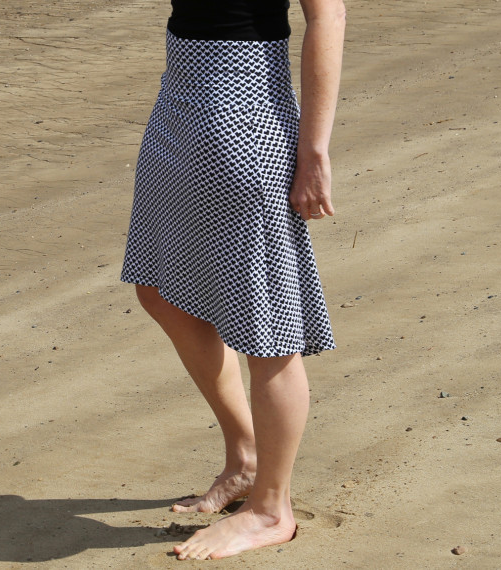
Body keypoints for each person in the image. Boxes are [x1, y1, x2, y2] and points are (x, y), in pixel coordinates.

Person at [121, 0, 346, 560]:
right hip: (177, 98)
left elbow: (328, 15)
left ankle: (271, 509)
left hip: (245, 110)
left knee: (265, 326)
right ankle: (246, 457)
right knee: (159, 288)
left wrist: (313, 151)